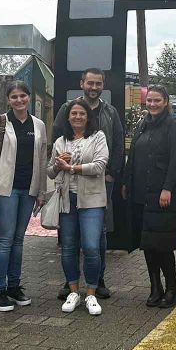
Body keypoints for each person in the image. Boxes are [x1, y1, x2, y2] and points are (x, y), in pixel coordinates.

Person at [52, 68, 124, 300]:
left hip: (100, 180)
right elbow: (56, 137)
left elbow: (118, 142)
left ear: (103, 85)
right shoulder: (67, 108)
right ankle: (70, 282)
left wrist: (112, 173)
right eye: (90, 83)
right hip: (69, 185)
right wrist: (58, 163)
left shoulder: (110, 112)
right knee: (70, 237)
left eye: (98, 84)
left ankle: (98, 280)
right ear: (82, 83)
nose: (94, 87)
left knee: (98, 234)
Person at [0, 81, 48, 311]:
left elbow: (42, 158)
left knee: (19, 241)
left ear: (29, 97)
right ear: (8, 100)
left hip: (28, 190)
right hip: (5, 190)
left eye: (23, 96)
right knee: (5, 240)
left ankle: (14, 286)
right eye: (14, 96)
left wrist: (41, 191)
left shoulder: (38, 124)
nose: (19, 100)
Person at [122, 85, 176, 308]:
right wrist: (126, 182)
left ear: (166, 102)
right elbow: (133, 155)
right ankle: (155, 287)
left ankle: (172, 289)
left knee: (163, 245)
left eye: (157, 100)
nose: (152, 104)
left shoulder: (174, 126)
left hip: (162, 196)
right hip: (142, 195)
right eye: (149, 100)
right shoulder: (143, 124)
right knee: (148, 245)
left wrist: (167, 188)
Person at [49, 98, 109, 316]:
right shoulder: (60, 141)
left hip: (92, 200)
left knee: (91, 247)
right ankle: (73, 291)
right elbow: (50, 172)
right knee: (68, 248)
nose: (77, 117)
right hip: (67, 200)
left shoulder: (98, 137)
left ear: (88, 117)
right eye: (73, 113)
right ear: (68, 117)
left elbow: (100, 166)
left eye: (82, 113)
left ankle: (91, 292)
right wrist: (58, 165)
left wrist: (71, 167)